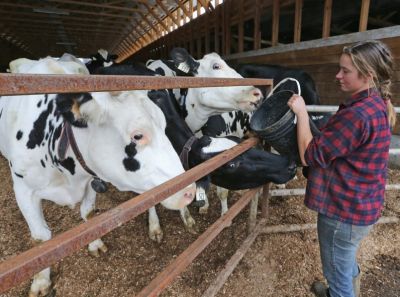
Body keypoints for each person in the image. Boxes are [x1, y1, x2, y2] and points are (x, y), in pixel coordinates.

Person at [287, 39, 396, 297]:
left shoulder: (358, 114)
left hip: (342, 213)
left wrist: (301, 112)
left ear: (368, 76)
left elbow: (308, 155)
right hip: (363, 206)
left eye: (345, 71)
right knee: (345, 260)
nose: (338, 75)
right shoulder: (377, 103)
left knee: (337, 273)